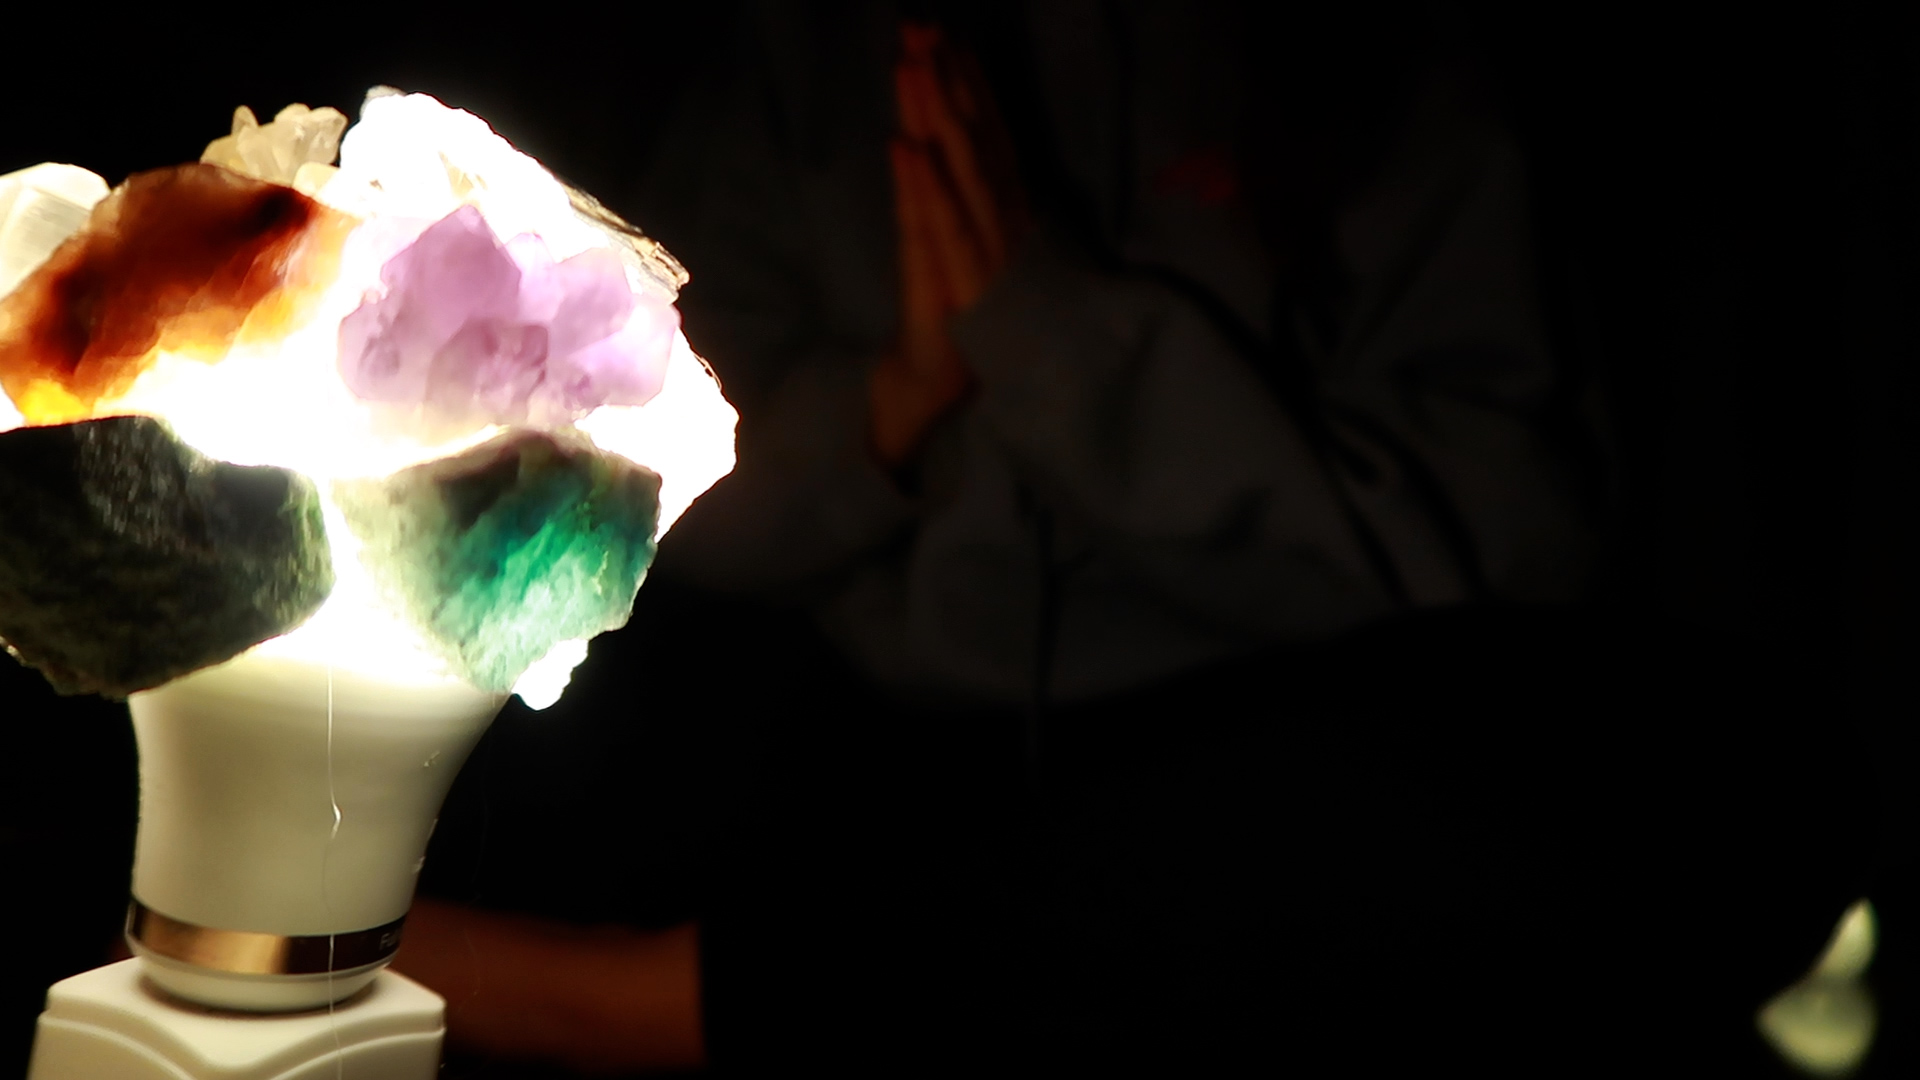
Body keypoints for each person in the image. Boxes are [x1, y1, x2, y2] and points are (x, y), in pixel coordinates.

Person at [394, 4, 1881, 1075]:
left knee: (1722, 805)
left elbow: (1507, 537)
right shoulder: (818, 64)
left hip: (1302, 734)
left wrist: (1056, 341)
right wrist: (897, 405)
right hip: (893, 731)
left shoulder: (1392, 79)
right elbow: (648, 495)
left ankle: (639, 1001)